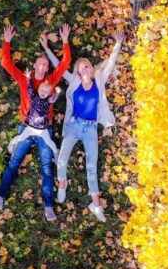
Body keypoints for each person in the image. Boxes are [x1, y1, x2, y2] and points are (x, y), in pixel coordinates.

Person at [0, 24, 71, 221]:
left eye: (45, 64)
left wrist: (65, 41)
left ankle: (49, 206)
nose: (42, 66)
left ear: (47, 69)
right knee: (13, 163)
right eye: (40, 63)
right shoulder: (24, 79)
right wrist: (7, 41)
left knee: (47, 168)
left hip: (44, 130)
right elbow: (6, 63)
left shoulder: (51, 81)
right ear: (35, 65)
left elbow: (66, 62)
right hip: (26, 128)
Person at [41, 30, 125, 222]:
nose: (86, 68)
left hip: (90, 128)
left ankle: (95, 204)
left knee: (91, 166)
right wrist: (47, 48)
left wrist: (117, 44)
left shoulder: (99, 81)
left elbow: (110, 64)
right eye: (83, 67)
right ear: (79, 71)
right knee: (62, 158)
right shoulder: (74, 81)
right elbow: (59, 66)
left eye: (88, 66)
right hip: (74, 125)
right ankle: (62, 185)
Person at [8, 68, 61, 163]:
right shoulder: (33, 97)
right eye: (42, 90)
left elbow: (53, 99)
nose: (44, 93)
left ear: (49, 94)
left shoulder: (48, 101)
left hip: (42, 129)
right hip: (30, 127)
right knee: (20, 138)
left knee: (49, 142)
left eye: (46, 92)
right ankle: (12, 144)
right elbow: (31, 88)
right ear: (39, 89)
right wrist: (28, 77)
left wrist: (56, 92)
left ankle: (56, 153)